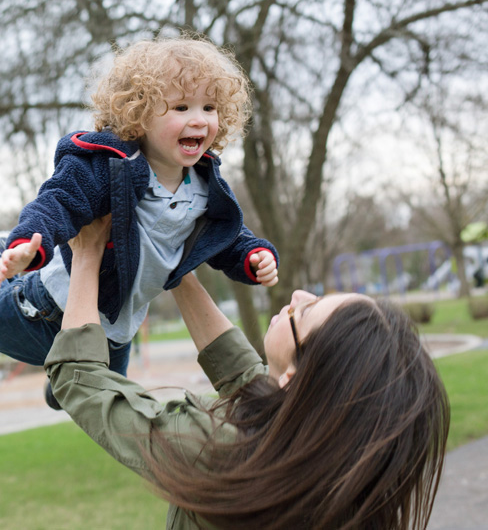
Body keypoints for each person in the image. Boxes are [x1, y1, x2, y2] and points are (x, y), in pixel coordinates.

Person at [45, 215, 450, 529]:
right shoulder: (325, 458)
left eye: (305, 313)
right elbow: (245, 378)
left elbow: (80, 379)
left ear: (296, 377)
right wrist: (175, 266)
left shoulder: (220, 451)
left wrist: (87, 253)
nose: (297, 296)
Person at [0, 35, 279, 408]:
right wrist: (26, 244)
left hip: (117, 327)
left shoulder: (206, 185)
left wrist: (254, 256)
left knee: (100, 398)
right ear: (139, 115)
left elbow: (227, 235)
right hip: (50, 306)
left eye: (209, 107)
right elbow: (58, 202)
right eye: (181, 107)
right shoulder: (107, 166)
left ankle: (58, 380)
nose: (199, 119)